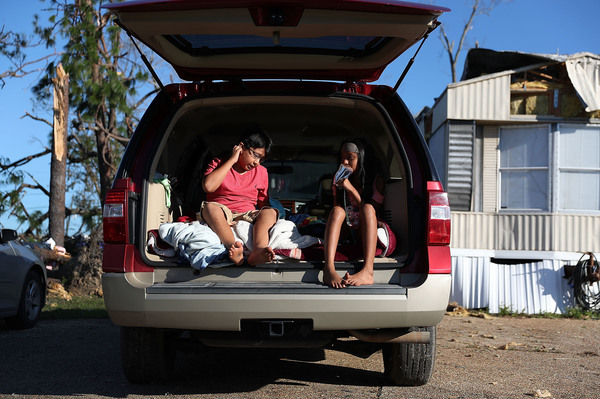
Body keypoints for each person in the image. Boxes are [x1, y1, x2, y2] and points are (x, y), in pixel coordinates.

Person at [200, 127, 277, 265]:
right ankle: (234, 248)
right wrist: (232, 160)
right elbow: (208, 187)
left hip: (247, 213)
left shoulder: (262, 172)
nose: (257, 162)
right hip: (221, 211)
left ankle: (258, 251)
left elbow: (263, 204)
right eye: (255, 155)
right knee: (210, 208)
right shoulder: (218, 163)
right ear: (241, 147)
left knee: (270, 212)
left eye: (261, 159)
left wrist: (268, 215)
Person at [322, 138, 385, 288]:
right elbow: (336, 209)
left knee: (368, 208)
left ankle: (368, 270)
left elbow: (371, 214)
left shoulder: (376, 180)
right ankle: (328, 268)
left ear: (361, 158)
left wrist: (351, 189)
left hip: (364, 230)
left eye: (350, 157)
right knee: (337, 211)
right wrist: (337, 189)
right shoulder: (339, 177)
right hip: (346, 230)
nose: (345, 162)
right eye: (342, 158)